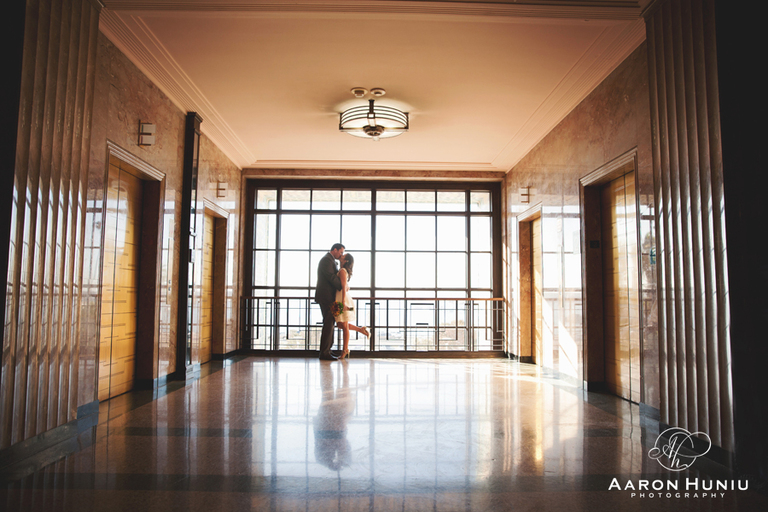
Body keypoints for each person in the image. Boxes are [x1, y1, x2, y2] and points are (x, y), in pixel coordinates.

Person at [334, 253, 370, 359]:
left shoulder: (342, 271)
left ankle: (345, 350)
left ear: (346, 261)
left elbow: (343, 286)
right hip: (341, 299)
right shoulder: (342, 271)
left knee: (344, 326)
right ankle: (361, 330)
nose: (341, 256)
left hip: (343, 300)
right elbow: (345, 285)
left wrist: (343, 302)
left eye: (343, 256)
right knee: (340, 325)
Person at [315, 243, 345, 360]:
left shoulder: (330, 260)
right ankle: (324, 352)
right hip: (326, 297)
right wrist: (342, 286)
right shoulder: (327, 260)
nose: (341, 255)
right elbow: (331, 277)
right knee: (328, 324)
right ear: (335, 250)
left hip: (327, 297)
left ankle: (327, 350)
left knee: (330, 323)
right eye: (341, 252)